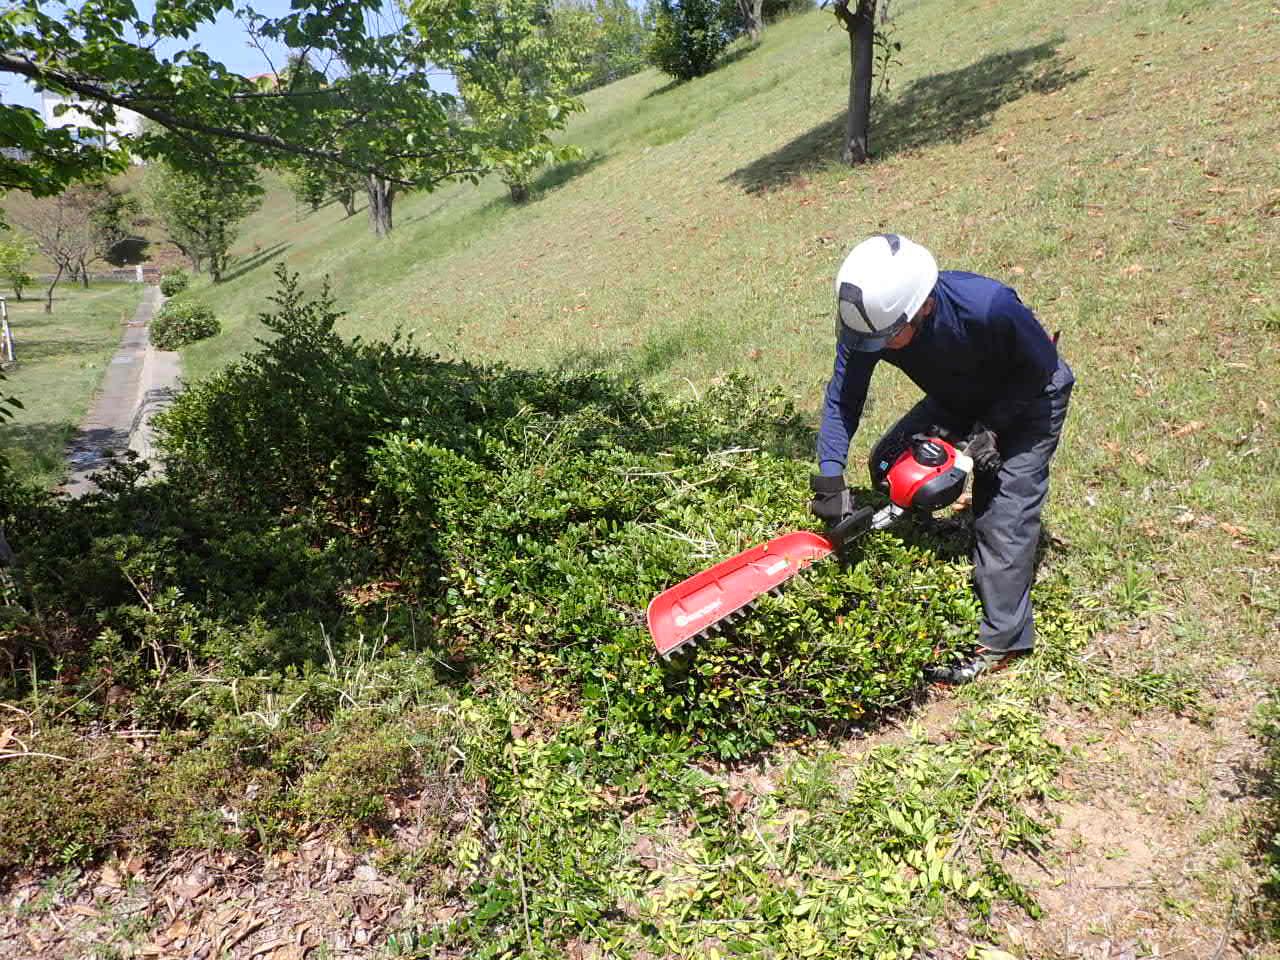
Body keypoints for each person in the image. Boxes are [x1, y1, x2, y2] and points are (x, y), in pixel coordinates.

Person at [809, 234, 1074, 684]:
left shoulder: (988, 306)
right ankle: (925, 537)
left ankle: (1002, 642)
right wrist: (830, 477)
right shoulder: (872, 322)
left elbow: (1041, 368)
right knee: (889, 464)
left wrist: (990, 432)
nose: (875, 348)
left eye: (885, 340)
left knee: (1002, 519)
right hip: (957, 396)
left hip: (1030, 397)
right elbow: (843, 400)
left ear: (925, 307)